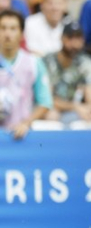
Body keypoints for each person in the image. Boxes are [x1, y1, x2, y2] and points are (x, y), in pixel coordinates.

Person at [0, 9, 52, 140]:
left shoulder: (34, 63)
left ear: (22, 34)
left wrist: (26, 123)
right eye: (3, 28)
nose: (7, 33)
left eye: (13, 29)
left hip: (21, 135)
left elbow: (45, 102)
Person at [42, 21, 91, 124]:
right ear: (62, 38)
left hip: (75, 110)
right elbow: (47, 100)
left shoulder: (86, 62)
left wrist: (90, 109)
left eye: (78, 38)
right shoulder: (48, 61)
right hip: (53, 108)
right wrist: (75, 107)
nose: (74, 43)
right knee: (51, 115)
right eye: (70, 38)